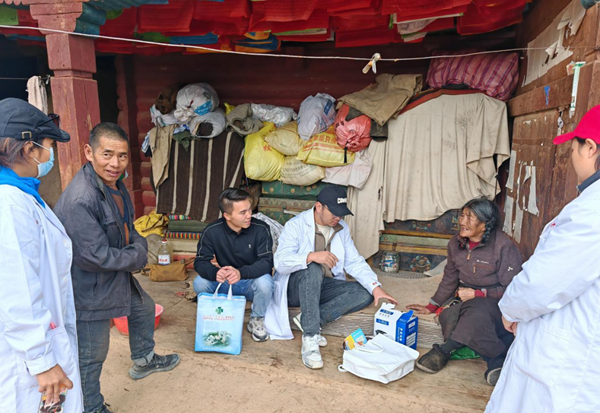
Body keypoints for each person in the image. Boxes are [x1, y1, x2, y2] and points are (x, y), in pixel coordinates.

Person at [54, 123, 179, 413]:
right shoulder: (81, 199)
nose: (115, 163)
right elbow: (94, 257)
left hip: (115, 273)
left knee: (144, 309)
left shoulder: (115, 185)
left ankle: (144, 360)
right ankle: (90, 407)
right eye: (107, 154)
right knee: (92, 353)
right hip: (88, 286)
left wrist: (139, 245)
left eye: (122, 156)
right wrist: (138, 255)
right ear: (89, 152)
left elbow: (129, 228)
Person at [485, 106, 600, 412]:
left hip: (571, 358)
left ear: (590, 147)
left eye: (574, 147)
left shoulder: (592, 213)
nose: (572, 155)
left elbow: (543, 283)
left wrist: (510, 309)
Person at [0, 98, 82, 412]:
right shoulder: (8, 204)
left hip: (41, 340)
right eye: (48, 146)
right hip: (25, 356)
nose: (50, 155)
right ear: (28, 149)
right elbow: (16, 288)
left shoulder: (23, 194)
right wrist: (42, 360)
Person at [266, 185, 398, 369]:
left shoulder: (341, 228)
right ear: (319, 207)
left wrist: (375, 287)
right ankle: (310, 338)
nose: (338, 218)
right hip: (295, 288)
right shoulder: (296, 225)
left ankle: (311, 318)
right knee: (312, 268)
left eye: (341, 213)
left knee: (364, 293)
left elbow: (354, 261)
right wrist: (311, 256)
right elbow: (280, 262)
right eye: (334, 213)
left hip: (322, 286)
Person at [407, 197, 523, 386]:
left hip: (497, 303)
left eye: (470, 217)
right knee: (452, 316)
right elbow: (450, 278)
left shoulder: (503, 246)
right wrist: (432, 306)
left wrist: (479, 294)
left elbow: (513, 289)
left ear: (485, 224)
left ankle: (444, 350)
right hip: (465, 302)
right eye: (462, 216)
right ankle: (496, 360)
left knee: (478, 312)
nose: (462, 221)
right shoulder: (456, 243)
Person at [193, 188, 274, 342]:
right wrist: (215, 273)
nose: (249, 215)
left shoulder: (261, 229)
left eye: (249, 209)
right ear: (227, 216)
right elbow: (200, 261)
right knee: (200, 283)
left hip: (251, 282)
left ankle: (256, 318)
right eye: (243, 212)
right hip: (226, 283)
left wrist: (240, 273)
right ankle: (217, 314)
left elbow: (266, 262)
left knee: (266, 283)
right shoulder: (212, 231)